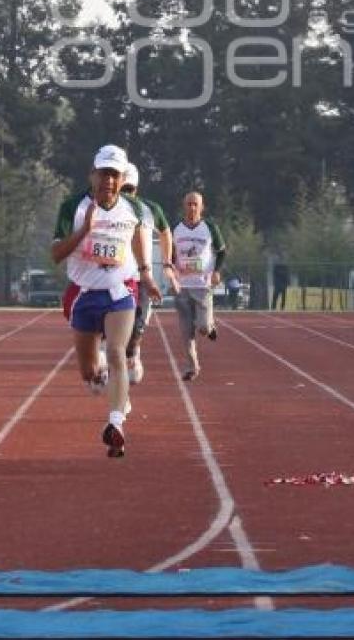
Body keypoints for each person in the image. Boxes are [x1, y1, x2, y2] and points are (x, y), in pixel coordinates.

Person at [51, 144, 161, 458]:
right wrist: (84, 229)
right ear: (92, 175)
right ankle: (101, 373)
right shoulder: (73, 206)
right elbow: (56, 255)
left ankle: (116, 425)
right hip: (84, 293)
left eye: (114, 175)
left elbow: (139, 243)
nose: (108, 181)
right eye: (103, 174)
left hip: (119, 291)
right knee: (89, 373)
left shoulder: (134, 209)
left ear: (121, 177)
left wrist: (147, 275)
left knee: (117, 353)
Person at [121, 162, 176, 384]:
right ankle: (116, 357)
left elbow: (165, 232)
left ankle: (133, 352)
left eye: (129, 189)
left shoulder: (149, 209)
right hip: (117, 277)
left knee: (139, 325)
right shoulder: (106, 208)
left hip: (142, 277)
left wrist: (167, 263)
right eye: (123, 189)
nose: (127, 194)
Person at [172, 190, 226, 381]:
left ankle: (209, 327)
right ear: (183, 206)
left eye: (196, 204)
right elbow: (169, 255)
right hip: (182, 286)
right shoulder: (175, 228)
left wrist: (217, 271)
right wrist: (171, 274)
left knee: (202, 327)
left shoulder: (209, 227)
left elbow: (221, 251)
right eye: (189, 204)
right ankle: (192, 367)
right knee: (186, 332)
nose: (192, 207)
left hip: (203, 286)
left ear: (202, 207)